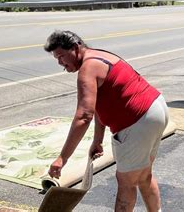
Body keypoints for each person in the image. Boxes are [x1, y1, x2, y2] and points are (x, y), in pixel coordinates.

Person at [44, 30, 169, 212]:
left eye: (62, 56)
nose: (60, 63)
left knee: (126, 183)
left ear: (75, 48)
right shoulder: (100, 55)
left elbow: (84, 116)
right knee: (143, 175)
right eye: (56, 58)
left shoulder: (88, 68)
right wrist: (97, 140)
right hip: (156, 109)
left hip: (137, 121)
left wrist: (62, 158)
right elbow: (100, 105)